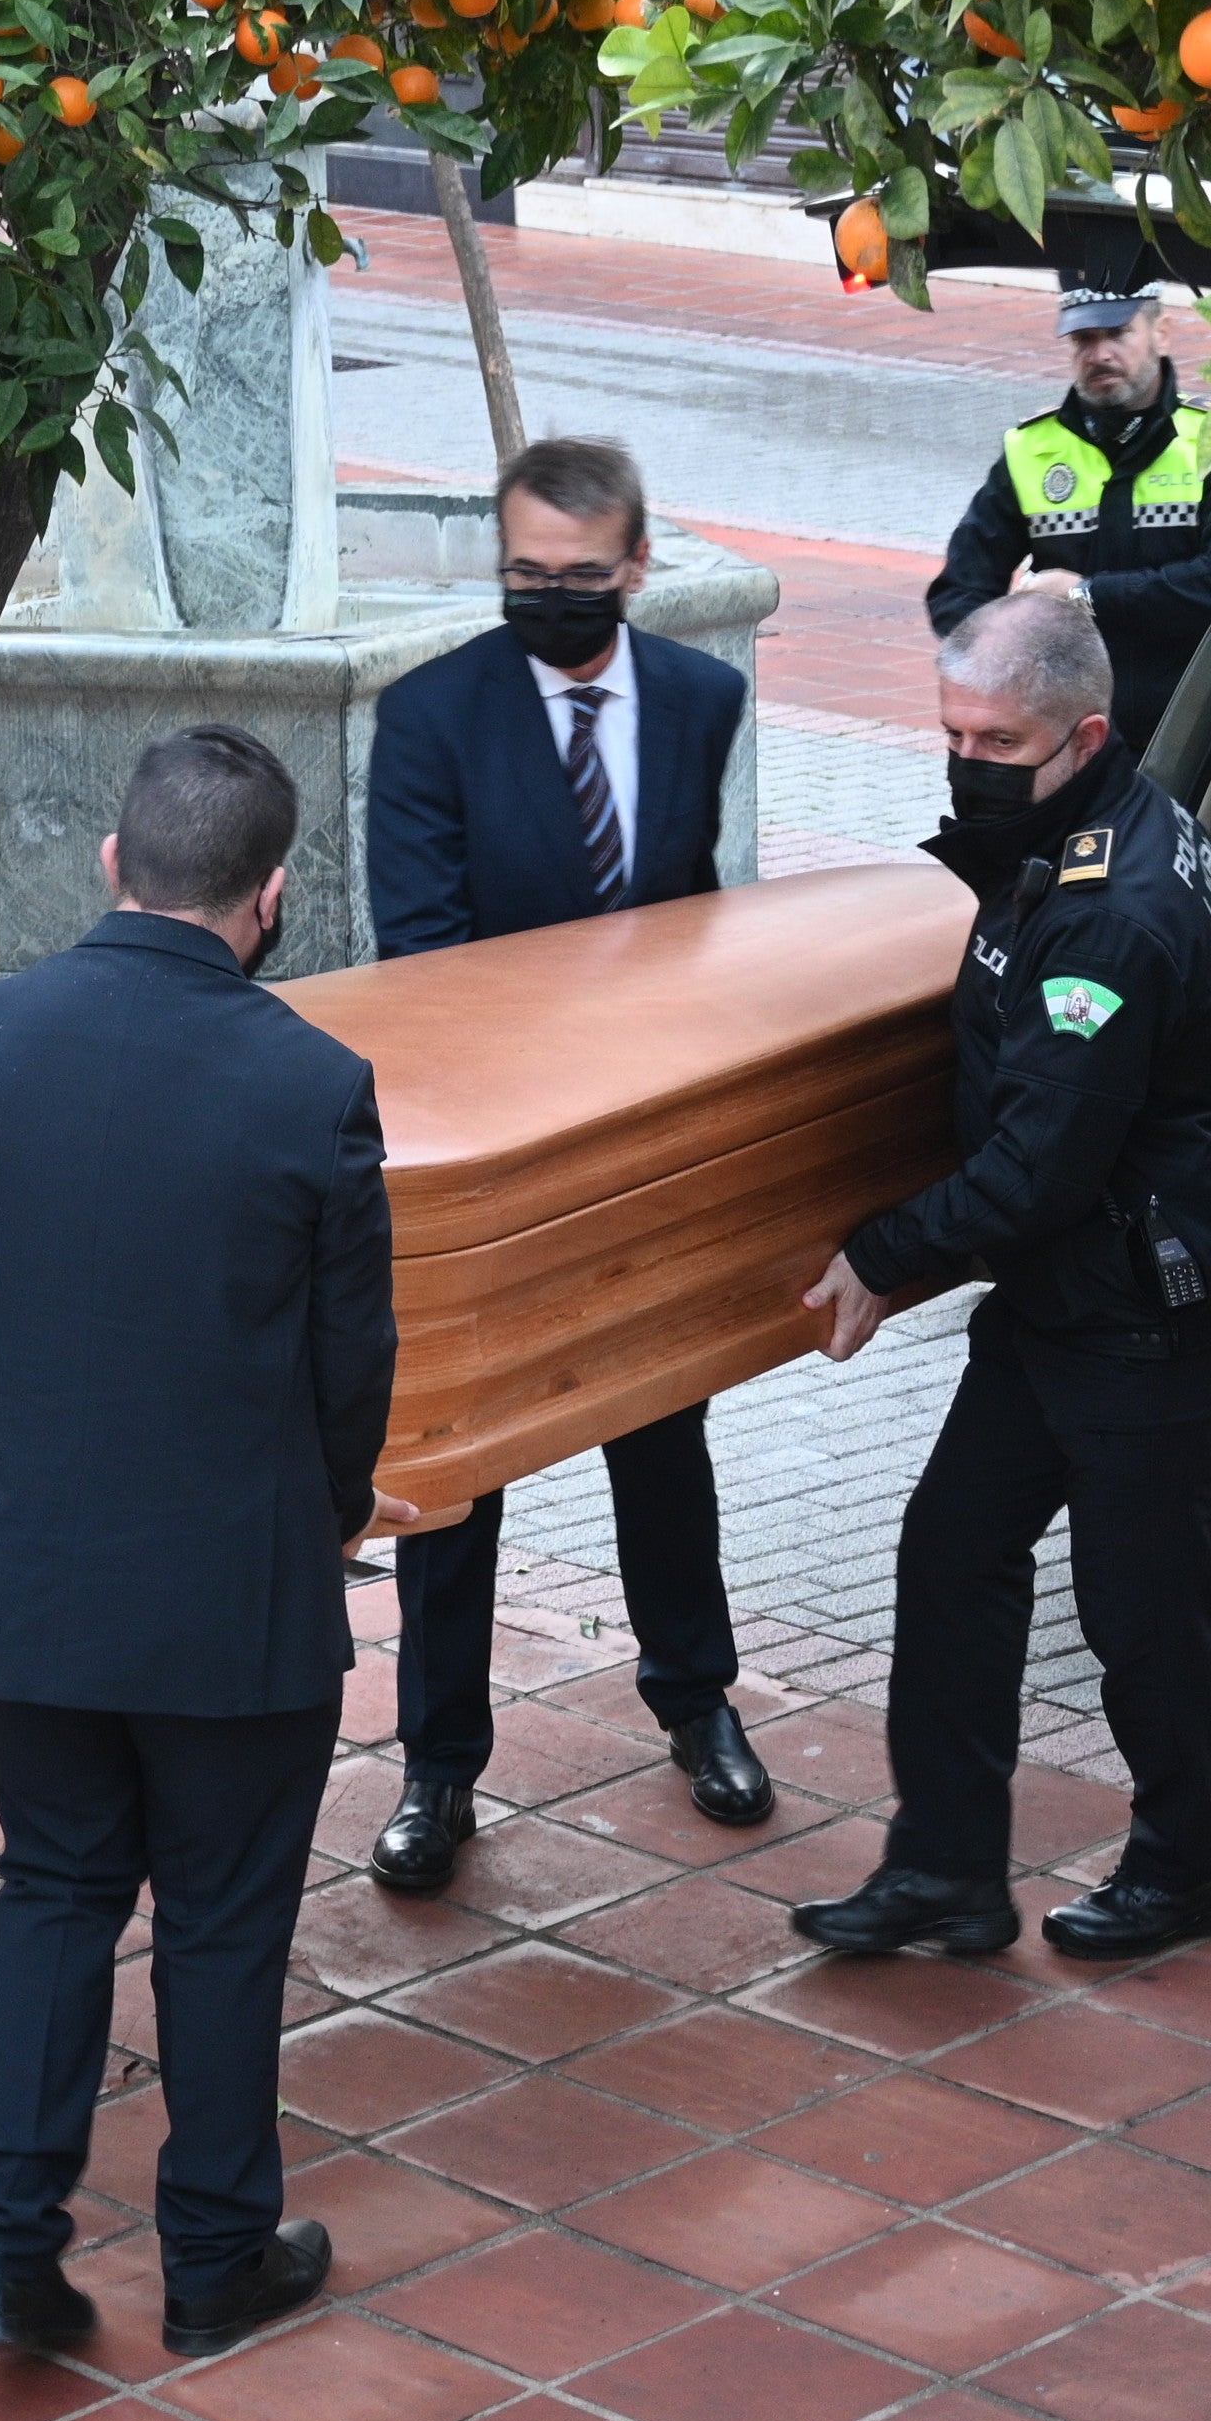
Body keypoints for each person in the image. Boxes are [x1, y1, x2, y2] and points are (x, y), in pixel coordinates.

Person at [0, 726, 407, 2363]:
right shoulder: (312, 1081)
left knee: (53, 1885)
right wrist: (305, 1519)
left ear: (110, 862)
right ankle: (215, 2252)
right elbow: (349, 1363)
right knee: (225, 1918)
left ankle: (2, 2247)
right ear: (271, 896)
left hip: (27, 1572)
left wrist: (20, 1448)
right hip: (231, 1585)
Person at [788, 593, 1211, 1963]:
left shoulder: (1109, 914)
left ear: (1086, 735)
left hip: (1147, 1312)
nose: (967, 763)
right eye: (951, 733)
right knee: (952, 1555)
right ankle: (947, 1871)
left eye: (996, 740)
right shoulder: (1067, 837)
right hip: (1069, 1292)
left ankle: (1193, 1870)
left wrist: (884, 1253)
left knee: (1141, 1613)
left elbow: (1041, 1168)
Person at [357, 435, 773, 1896]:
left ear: (636, 569)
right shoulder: (430, 717)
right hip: (490, 1146)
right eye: (525, 573)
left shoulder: (705, 700)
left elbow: (693, 911)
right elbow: (421, 955)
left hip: (646, 1143)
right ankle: (436, 1768)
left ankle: (698, 1700)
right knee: (457, 1474)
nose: (547, 595)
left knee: (664, 1436)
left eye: (578, 578)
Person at [924, 289, 1211, 748]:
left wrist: (1086, 596)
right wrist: (1012, 663)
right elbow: (960, 591)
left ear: (1162, 333)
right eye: (1083, 339)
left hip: (1192, 723)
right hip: (1067, 736)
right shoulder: (1033, 448)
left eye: (1117, 333)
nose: (1100, 354)